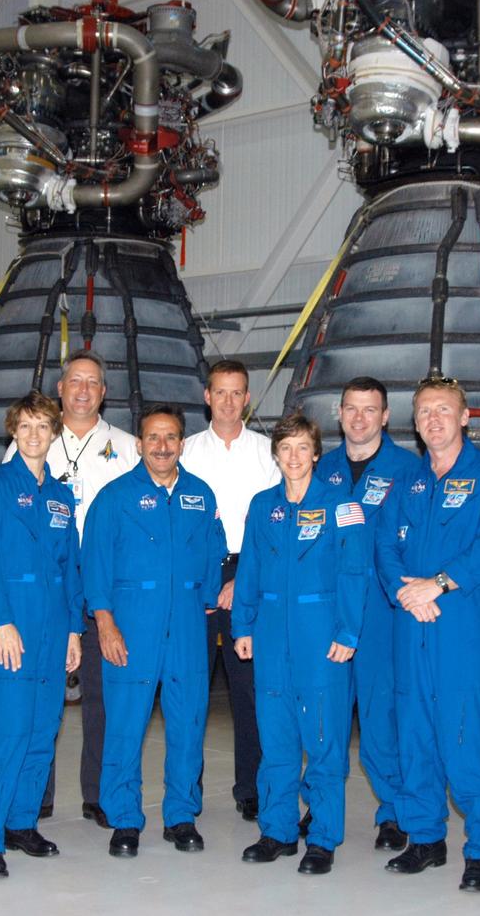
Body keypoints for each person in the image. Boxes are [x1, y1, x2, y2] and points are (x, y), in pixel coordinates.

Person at [375, 376, 480, 894]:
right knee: (413, 731)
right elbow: (383, 543)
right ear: (415, 422)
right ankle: (426, 838)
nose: (433, 419)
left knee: (466, 733)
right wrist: (403, 590)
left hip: (458, 617)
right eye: (424, 411)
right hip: (410, 622)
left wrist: (437, 584)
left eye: (443, 410)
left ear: (464, 417)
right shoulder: (407, 482)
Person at [81, 404, 227, 858]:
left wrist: (205, 600)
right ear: (140, 444)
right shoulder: (114, 497)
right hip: (131, 625)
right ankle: (124, 818)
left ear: (182, 444)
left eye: (170, 438)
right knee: (124, 724)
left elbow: (215, 551)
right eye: (153, 438)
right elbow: (95, 563)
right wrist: (105, 623)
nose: (162, 446)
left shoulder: (201, 495)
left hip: (185, 626)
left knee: (188, 723)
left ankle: (181, 815)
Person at [5, 349, 137, 826]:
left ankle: (99, 795)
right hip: (45, 593)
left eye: (93, 382)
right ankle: (33, 795)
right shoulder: (32, 438)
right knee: (41, 694)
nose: (83, 389)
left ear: (104, 392)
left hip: (105, 591)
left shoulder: (127, 447)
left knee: (103, 696)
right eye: (75, 380)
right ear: (60, 389)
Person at [233, 413, 370, 876]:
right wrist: (242, 626)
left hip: (322, 639)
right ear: (276, 455)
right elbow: (248, 569)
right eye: (285, 448)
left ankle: (324, 837)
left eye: (302, 448)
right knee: (276, 740)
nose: (293, 457)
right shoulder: (262, 505)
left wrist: (348, 632)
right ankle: (277, 830)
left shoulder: (342, 505)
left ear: (316, 453)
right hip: (271, 637)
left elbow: (355, 572)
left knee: (325, 741)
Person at [0, 392, 84, 878]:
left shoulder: (60, 496)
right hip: (11, 622)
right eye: (26, 427)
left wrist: (75, 629)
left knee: (42, 730)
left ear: (54, 433)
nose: (35, 435)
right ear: (12, 432)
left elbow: (71, 566)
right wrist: (2, 622)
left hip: (54, 624)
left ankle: (21, 823)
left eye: (43, 427)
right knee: (10, 731)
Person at [313, 377, 416, 852]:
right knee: (324, 717)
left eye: (369, 410)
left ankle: (394, 812)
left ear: (386, 416)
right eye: (351, 408)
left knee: (381, 719)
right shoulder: (320, 469)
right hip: (328, 613)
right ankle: (320, 806)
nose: (359, 418)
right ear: (339, 413)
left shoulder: (408, 470)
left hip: (381, 615)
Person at [181, 359, 279, 821]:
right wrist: (206, 582)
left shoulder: (269, 453)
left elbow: (275, 527)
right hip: (197, 573)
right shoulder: (183, 451)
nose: (227, 401)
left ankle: (251, 789)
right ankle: (187, 789)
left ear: (247, 398)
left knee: (249, 691)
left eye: (236, 392)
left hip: (249, 571)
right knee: (191, 689)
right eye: (219, 392)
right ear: (207, 396)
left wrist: (243, 580)